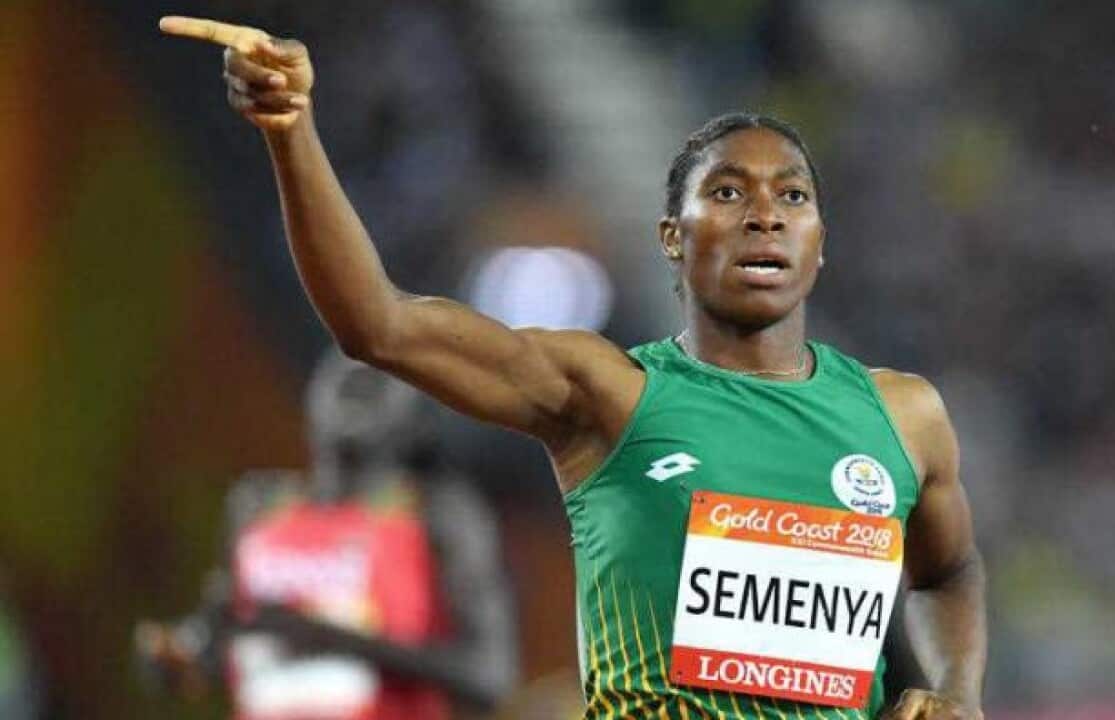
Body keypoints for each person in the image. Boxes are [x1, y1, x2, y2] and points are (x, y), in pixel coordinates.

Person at [160, 16, 987, 720]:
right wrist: (291, 134)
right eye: (729, 193)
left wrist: (955, 691)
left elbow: (947, 571)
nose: (765, 214)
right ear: (672, 238)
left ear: (820, 240)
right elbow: (380, 325)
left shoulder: (903, 416)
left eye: (793, 196)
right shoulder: (609, 394)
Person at [136, 349, 517, 720]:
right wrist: (181, 654)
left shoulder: (438, 514)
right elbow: (228, 643)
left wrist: (330, 639)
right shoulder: (257, 505)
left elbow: (488, 676)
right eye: (349, 358)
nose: (359, 375)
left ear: (418, 421)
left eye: (382, 371)